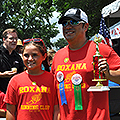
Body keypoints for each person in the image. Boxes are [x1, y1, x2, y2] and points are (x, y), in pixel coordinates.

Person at [51, 8, 120, 120]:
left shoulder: (101, 49)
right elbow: (55, 94)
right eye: (64, 23)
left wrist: (109, 74)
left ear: (85, 27)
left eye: (73, 22)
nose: (68, 26)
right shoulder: (58, 56)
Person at [4, 38, 59, 120]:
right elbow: (10, 112)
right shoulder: (15, 81)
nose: (30, 59)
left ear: (44, 57)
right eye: (26, 55)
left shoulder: (52, 79)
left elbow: (57, 110)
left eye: (35, 55)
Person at [0, 28, 24, 93]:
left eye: (16, 38)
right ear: (4, 40)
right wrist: (2, 75)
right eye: (11, 38)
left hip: (13, 94)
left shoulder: (17, 57)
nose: (14, 41)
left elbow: (21, 72)